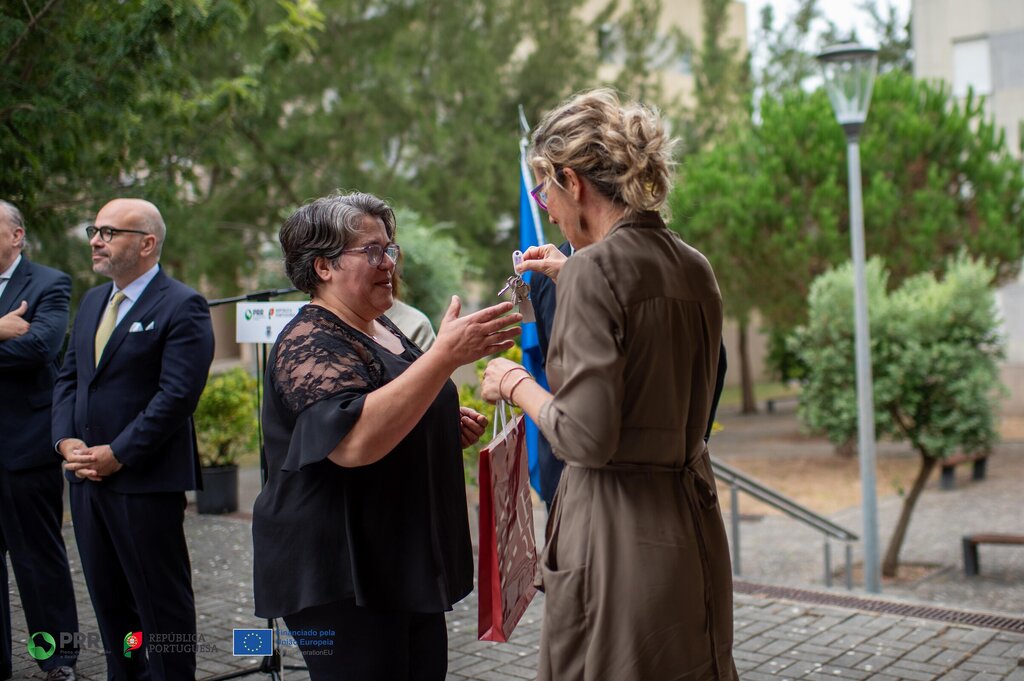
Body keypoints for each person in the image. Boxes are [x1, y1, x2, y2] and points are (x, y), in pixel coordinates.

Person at [482, 89, 738, 681]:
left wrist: (515, 381)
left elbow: (584, 437)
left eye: (545, 190)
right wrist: (573, 274)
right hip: (693, 527)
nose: (546, 209)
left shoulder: (594, 273)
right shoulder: (693, 265)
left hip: (618, 539)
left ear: (572, 182)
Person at [251, 192, 520, 681]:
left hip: (398, 560)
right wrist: (444, 356)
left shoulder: (383, 326)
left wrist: (436, 424)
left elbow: (394, 400)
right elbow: (353, 442)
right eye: (371, 251)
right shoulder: (306, 340)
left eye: (389, 249)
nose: (388, 263)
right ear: (323, 267)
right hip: (341, 576)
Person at [52, 198, 215, 681]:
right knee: (111, 605)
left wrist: (119, 453)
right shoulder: (92, 302)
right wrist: (65, 441)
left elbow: (177, 396)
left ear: (147, 243)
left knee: (160, 607)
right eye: (94, 230)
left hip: (144, 484)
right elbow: (69, 378)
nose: (95, 241)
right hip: (86, 481)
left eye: (109, 232)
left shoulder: (182, 304)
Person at [0, 201, 79, 681]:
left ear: (16, 235)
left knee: (38, 562)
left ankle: (58, 660)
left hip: (24, 447)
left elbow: (39, 347)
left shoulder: (49, 283)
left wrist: (18, 339)